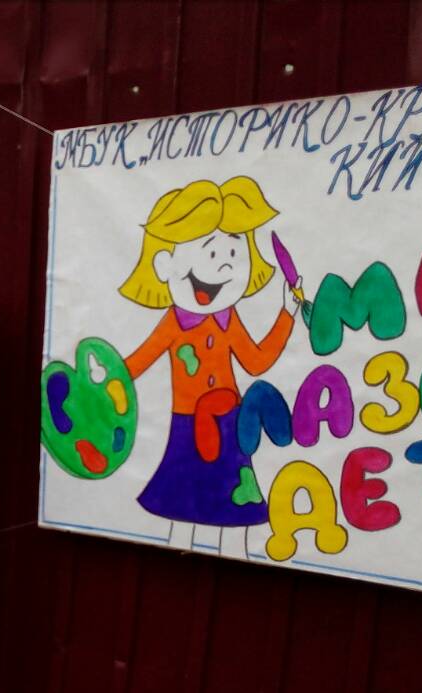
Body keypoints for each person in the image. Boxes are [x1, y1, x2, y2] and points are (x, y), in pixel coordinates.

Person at [118, 175, 301, 558]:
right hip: (187, 423)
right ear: (165, 265)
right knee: (180, 506)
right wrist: (107, 382)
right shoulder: (174, 322)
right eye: (210, 253)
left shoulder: (229, 319)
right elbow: (139, 361)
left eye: (233, 254)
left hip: (230, 423)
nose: (222, 266)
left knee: (233, 509)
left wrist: (287, 314)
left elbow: (256, 361)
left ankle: (237, 558)